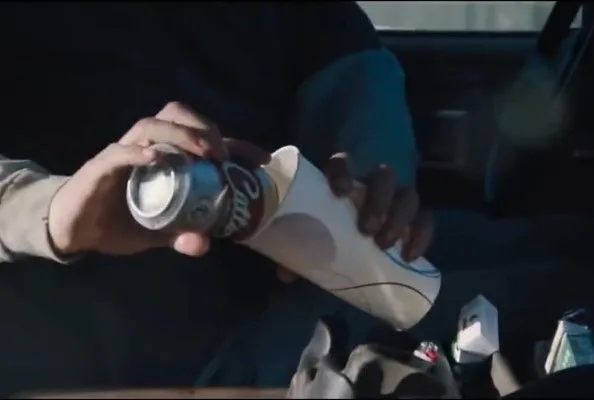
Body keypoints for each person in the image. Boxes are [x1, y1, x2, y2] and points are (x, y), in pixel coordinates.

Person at [0, 2, 433, 393]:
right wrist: (50, 209)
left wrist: (364, 198)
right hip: (66, 344)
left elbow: (363, 106)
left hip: (286, 339)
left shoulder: (314, 20)